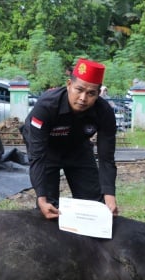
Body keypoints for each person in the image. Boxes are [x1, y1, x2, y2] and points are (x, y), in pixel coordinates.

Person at [20, 58, 118, 220]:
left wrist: (109, 194)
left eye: (91, 93)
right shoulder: (46, 106)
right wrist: (41, 198)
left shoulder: (104, 112)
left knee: (95, 207)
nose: (83, 98)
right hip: (46, 149)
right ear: (68, 84)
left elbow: (106, 158)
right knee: (49, 210)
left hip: (78, 148)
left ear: (99, 92)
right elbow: (37, 156)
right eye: (79, 90)